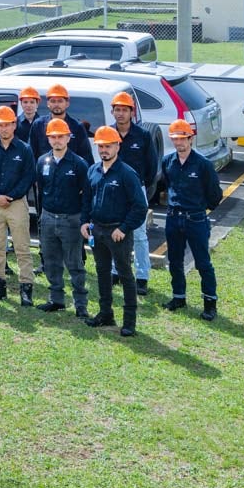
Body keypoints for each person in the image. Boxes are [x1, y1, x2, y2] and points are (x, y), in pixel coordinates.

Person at [81, 126, 148, 337]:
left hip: (118, 231)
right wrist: (85, 222)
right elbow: (86, 200)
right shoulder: (93, 170)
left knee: (125, 275)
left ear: (117, 146)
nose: (104, 150)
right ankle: (105, 313)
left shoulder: (127, 174)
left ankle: (129, 322)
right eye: (101, 146)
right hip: (97, 230)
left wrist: (124, 228)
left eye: (108, 146)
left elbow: (140, 206)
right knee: (102, 273)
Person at [161, 119, 223, 321]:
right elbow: (168, 185)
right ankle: (178, 297)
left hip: (195, 219)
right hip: (173, 218)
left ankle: (210, 303)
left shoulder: (203, 164)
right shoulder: (168, 161)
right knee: (175, 261)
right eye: (175, 139)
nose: (179, 143)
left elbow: (215, 193)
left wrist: (201, 209)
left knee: (203, 263)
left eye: (182, 139)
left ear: (190, 138)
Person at [0, 106, 36, 305]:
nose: (4, 129)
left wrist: (10, 196)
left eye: (8, 124)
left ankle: (26, 288)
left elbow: (28, 176)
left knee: (22, 247)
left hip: (16, 203)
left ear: (14, 125)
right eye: (0, 125)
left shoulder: (24, 149)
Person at [35, 119, 89, 317]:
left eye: (61, 136)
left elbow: (87, 194)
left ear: (68, 137)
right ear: (48, 139)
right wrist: (42, 216)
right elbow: (40, 189)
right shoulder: (42, 161)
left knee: (74, 263)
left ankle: (81, 303)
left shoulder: (79, 164)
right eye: (53, 137)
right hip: (48, 217)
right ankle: (56, 299)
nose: (57, 140)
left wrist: (83, 220)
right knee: (50, 261)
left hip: (71, 219)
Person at [108, 92, 157, 296]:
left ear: (131, 112)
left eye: (124, 110)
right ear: (113, 112)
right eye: (117, 110)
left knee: (139, 235)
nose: (120, 114)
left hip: (137, 191)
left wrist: (139, 186)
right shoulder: (108, 132)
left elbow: (152, 166)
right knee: (113, 232)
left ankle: (142, 276)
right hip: (113, 190)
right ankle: (115, 271)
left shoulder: (143, 135)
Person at [29, 84, 93, 166]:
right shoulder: (38, 125)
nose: (56, 104)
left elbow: (86, 157)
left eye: (60, 101)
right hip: (44, 174)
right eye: (53, 101)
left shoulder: (77, 126)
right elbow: (31, 156)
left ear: (67, 103)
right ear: (48, 103)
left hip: (70, 174)